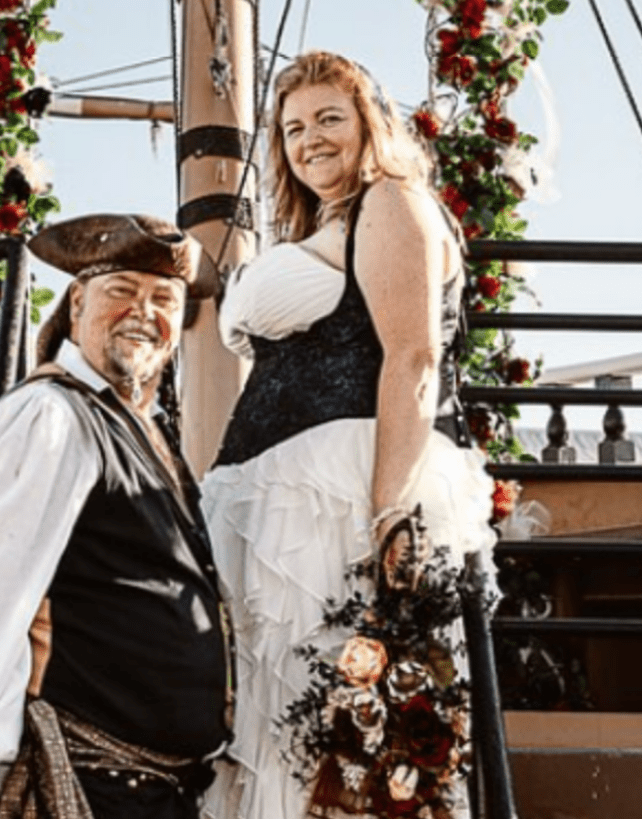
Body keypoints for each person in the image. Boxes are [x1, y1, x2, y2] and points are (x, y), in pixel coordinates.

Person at [198, 51, 497, 818]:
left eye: (330, 118)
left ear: (370, 123)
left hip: (340, 489)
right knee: (279, 712)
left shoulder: (390, 202)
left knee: (347, 714)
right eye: (293, 128)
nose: (310, 140)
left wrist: (387, 511)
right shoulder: (322, 224)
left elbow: (413, 355)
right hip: (271, 493)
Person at [0, 213, 234, 819]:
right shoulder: (49, 416)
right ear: (76, 304)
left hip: (158, 794)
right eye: (120, 291)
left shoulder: (143, 434)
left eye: (163, 300)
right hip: (88, 783)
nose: (142, 313)